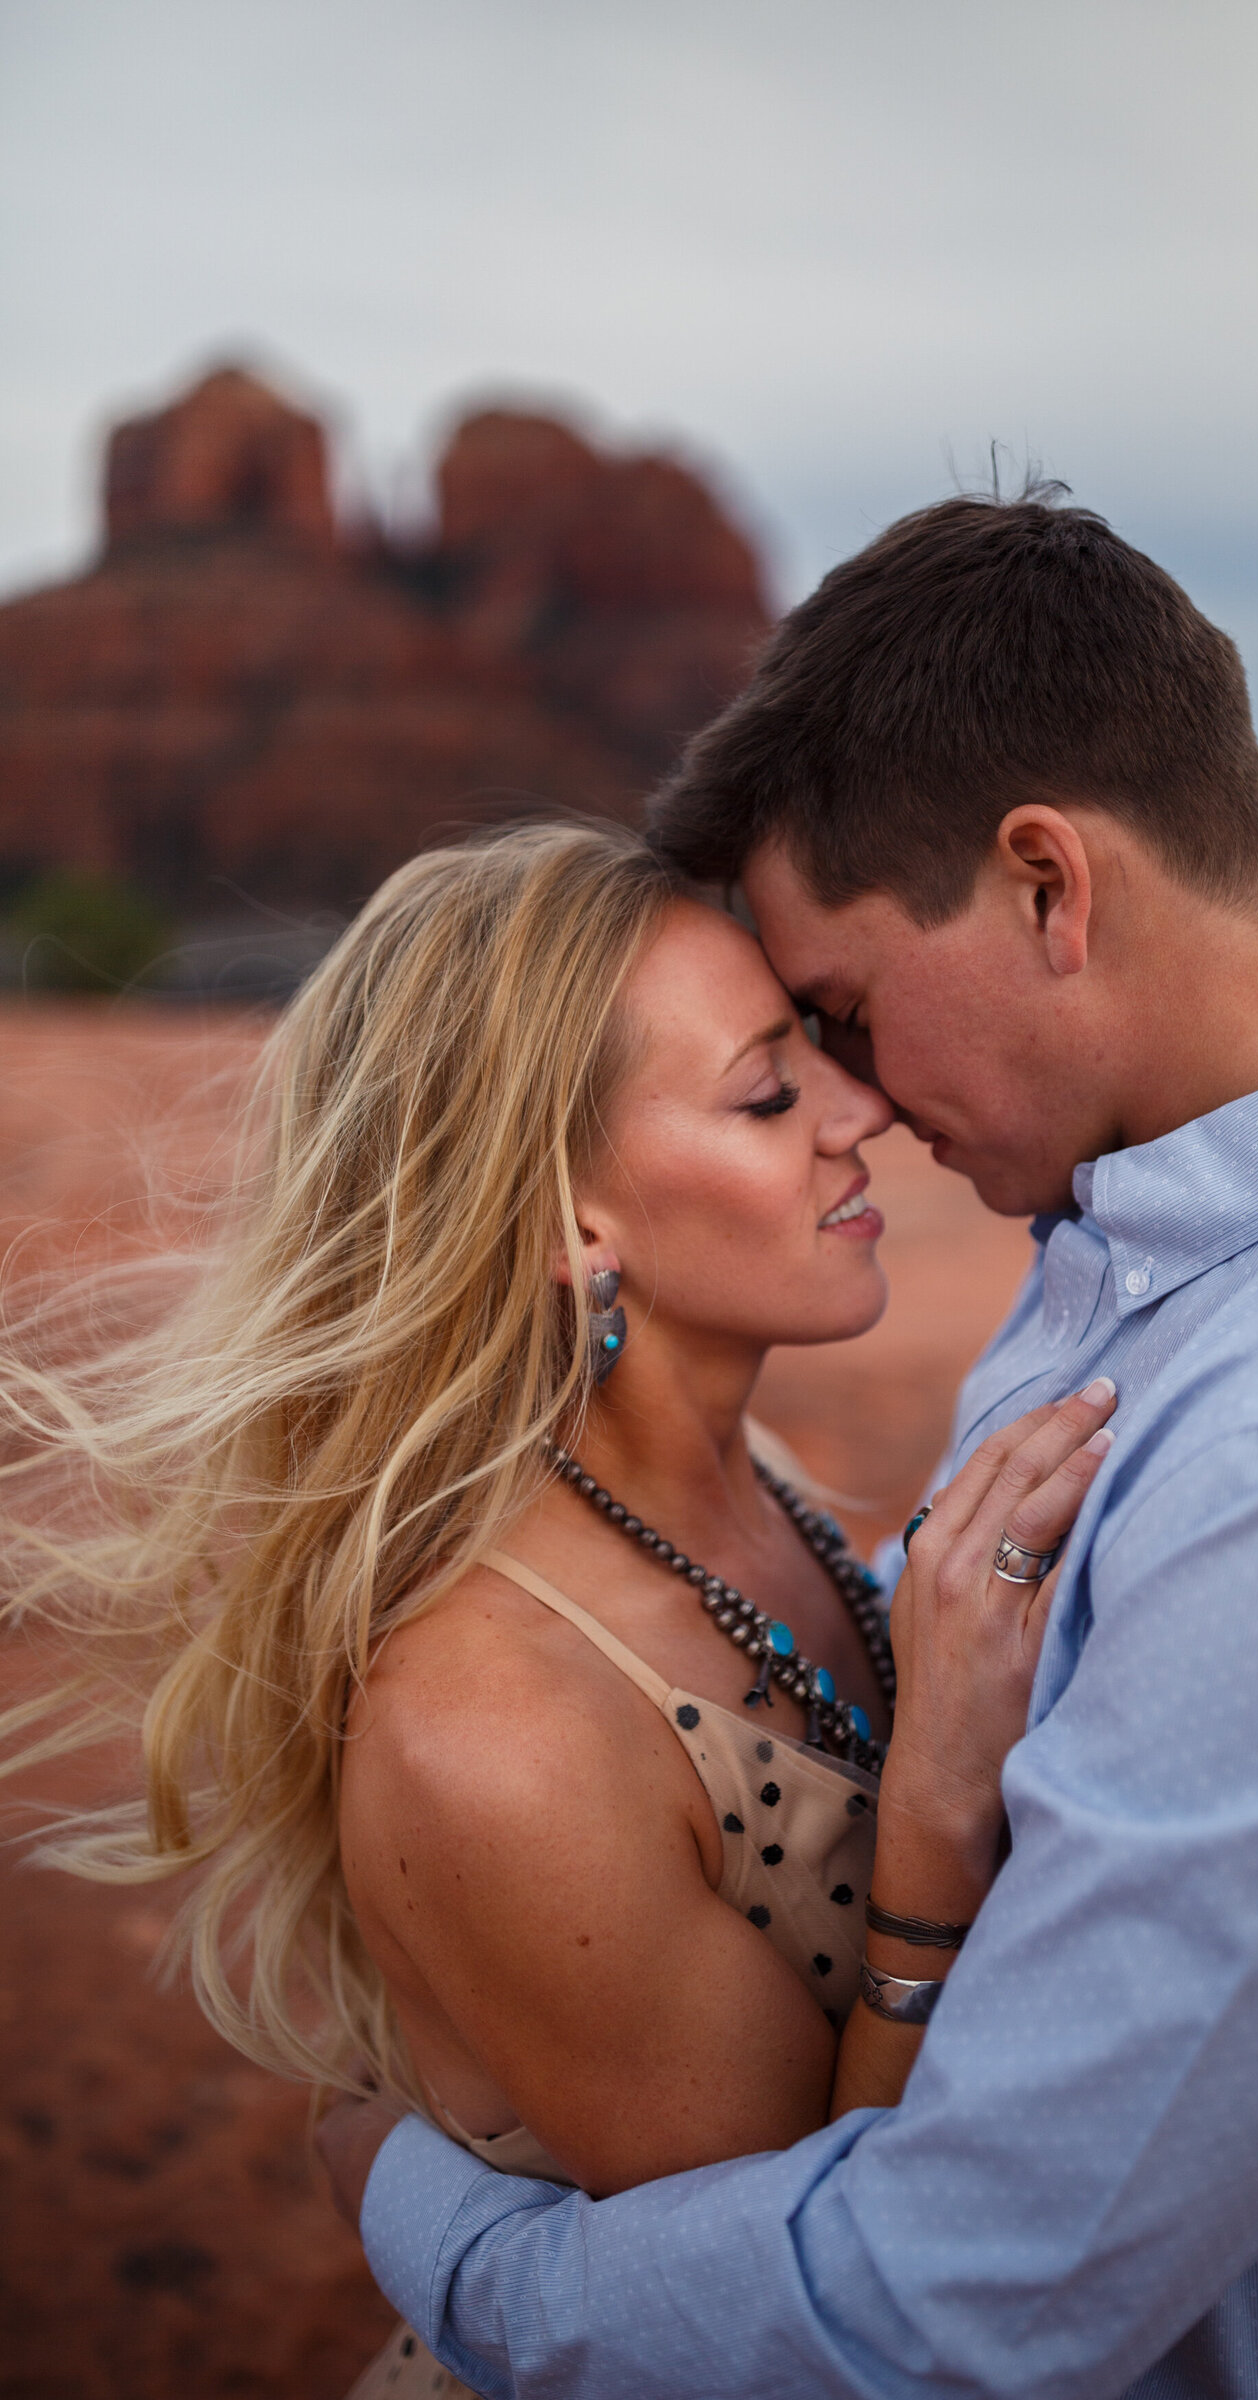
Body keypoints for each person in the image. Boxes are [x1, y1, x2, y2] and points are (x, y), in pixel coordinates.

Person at [324, 494, 1258, 2399]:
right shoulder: (1155, 1237)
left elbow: (954, 2309)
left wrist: (438, 2234)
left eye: (839, 1013)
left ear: (1046, 888)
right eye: (782, 1064)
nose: (860, 1104)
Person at [0, 816, 1115, 2400]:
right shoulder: (496, 1729)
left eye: (823, 1051)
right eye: (765, 1089)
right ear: (566, 1220)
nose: (860, 1112)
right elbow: (805, 2319)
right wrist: (936, 1810)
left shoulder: (752, 1482)